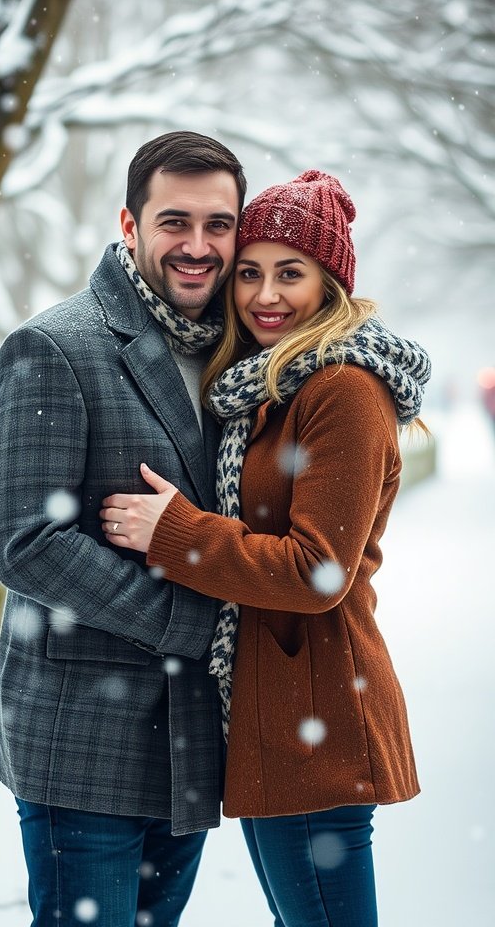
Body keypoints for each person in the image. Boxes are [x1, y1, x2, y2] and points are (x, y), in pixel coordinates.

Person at [100, 170, 432, 927]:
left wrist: (176, 533)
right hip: (282, 718)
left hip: (315, 719)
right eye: (249, 272)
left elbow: (316, 571)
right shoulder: (268, 386)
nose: (264, 295)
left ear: (331, 284)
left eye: (291, 273)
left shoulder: (341, 388)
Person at [0, 130, 247, 927]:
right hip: (84, 742)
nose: (198, 247)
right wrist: (192, 622)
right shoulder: (55, 345)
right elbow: (26, 541)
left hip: (191, 744)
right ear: (129, 225)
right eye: (174, 222)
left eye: (218, 224)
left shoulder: (242, 356)